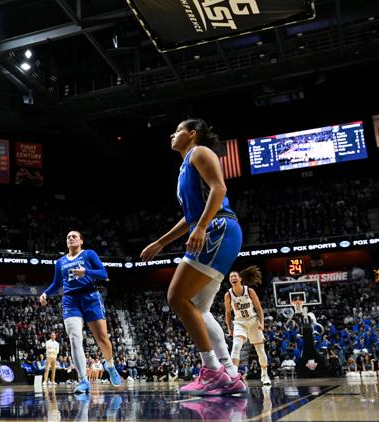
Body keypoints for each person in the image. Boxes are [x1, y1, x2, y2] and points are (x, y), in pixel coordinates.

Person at [141, 118, 245, 396]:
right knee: (198, 309)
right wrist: (161, 242)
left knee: (176, 297)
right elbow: (190, 217)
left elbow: (219, 188)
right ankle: (230, 373)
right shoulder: (185, 165)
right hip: (217, 228)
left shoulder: (200, 152)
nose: (172, 135)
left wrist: (201, 226)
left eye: (177, 131)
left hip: (218, 227)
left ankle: (212, 371)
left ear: (192, 133)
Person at [39, 231, 122, 394]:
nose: (70, 238)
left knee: (102, 338)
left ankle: (110, 365)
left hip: (90, 297)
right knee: (74, 338)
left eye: (73, 236)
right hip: (70, 301)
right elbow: (56, 283)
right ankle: (83, 380)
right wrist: (46, 293)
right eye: (68, 237)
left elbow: (104, 274)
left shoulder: (89, 254)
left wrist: (87, 272)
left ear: (81, 241)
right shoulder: (60, 262)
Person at [224, 266, 271, 386]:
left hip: (253, 321)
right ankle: (233, 376)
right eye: (231, 277)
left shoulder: (249, 291)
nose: (233, 278)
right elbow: (228, 313)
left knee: (260, 350)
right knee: (236, 346)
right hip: (239, 322)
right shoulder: (228, 295)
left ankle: (264, 375)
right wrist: (230, 328)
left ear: (240, 279)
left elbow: (259, 309)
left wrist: (262, 323)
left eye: (235, 276)